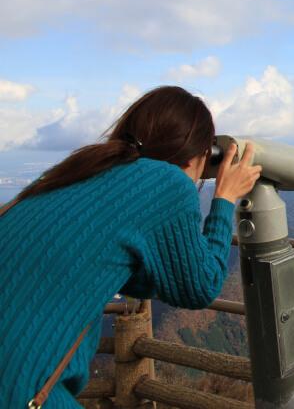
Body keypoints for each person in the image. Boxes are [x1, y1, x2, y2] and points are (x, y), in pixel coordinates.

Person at [0, 85, 262, 408]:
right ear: (199, 156)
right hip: (16, 386)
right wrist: (224, 198)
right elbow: (202, 286)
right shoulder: (169, 182)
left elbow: (116, 266)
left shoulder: (82, 171)